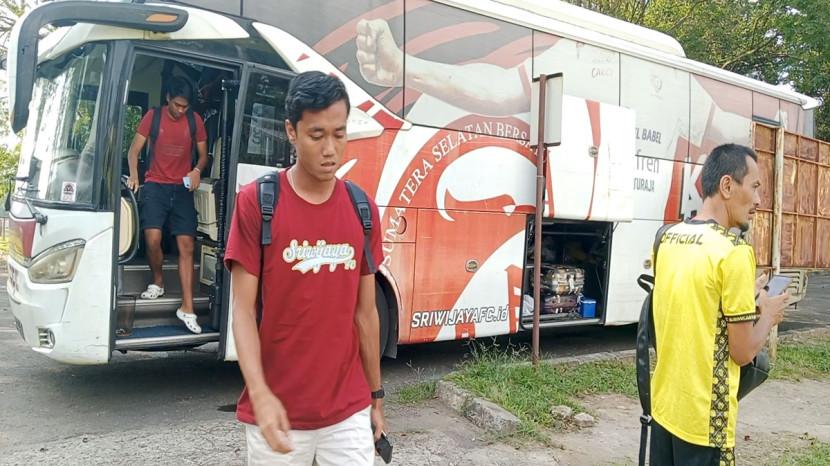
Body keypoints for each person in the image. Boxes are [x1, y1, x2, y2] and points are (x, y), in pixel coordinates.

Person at [224, 71, 386, 465]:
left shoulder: (361, 209)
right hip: (277, 411)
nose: (330, 149)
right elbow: (242, 311)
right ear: (291, 132)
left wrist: (376, 397)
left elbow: (365, 314)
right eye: (317, 135)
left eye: (339, 134)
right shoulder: (258, 203)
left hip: (347, 409)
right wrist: (260, 394)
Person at [649, 143, 789, 465]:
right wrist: (768, 315)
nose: (758, 200)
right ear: (727, 185)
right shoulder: (734, 252)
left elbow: (694, 304)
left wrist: (743, 296)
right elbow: (742, 352)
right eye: (754, 187)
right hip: (705, 422)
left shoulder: (668, 238)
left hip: (665, 408)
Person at [126, 76, 208, 334]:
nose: (181, 110)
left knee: (187, 246)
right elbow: (133, 151)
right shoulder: (153, 117)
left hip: (182, 187)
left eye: (185, 106)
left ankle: (188, 308)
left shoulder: (195, 121)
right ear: (168, 99)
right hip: (155, 185)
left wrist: (197, 170)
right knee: (152, 239)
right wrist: (135, 176)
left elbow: (203, 155)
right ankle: (158, 281)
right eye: (177, 105)